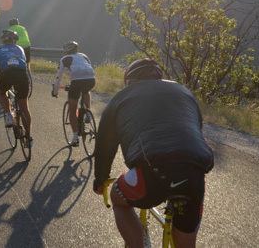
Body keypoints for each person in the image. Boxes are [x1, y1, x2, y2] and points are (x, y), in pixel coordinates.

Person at [92, 59, 214, 248]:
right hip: (194, 172)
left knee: (118, 198)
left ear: (129, 81)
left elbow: (105, 144)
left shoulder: (121, 97)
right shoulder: (184, 92)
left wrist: (100, 179)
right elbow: (194, 130)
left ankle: (137, 244)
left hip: (151, 171)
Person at [0, 30, 33, 146]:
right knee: (24, 107)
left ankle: (8, 114)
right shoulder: (20, 49)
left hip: (6, 75)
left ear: (3, 40)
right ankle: (29, 137)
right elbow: (24, 63)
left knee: (2, 92)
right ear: (15, 40)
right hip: (22, 75)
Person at [50, 41, 96, 147]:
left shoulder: (64, 59)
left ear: (66, 51)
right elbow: (89, 68)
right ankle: (88, 112)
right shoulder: (84, 56)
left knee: (72, 110)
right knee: (86, 91)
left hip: (76, 81)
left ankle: (75, 138)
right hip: (91, 79)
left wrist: (55, 92)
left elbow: (58, 78)